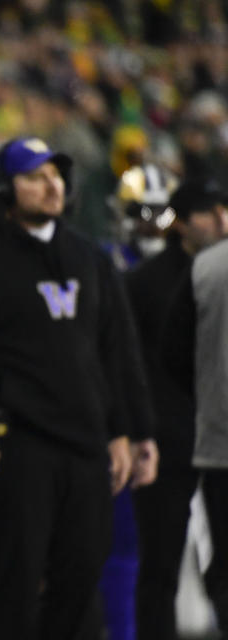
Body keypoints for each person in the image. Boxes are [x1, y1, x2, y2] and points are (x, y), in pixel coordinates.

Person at [0, 137, 136, 640]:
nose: (51, 184)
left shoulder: (86, 256)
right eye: (35, 176)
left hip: (83, 447)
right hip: (15, 447)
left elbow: (111, 354)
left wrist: (122, 431)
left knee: (81, 578)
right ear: (3, 188)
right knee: (16, 581)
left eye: (55, 174)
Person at [128, 178, 225, 640]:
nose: (221, 220)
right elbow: (135, 362)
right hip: (165, 436)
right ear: (182, 222)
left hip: (214, 432)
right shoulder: (143, 283)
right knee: (161, 560)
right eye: (208, 212)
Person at [162, 189, 228, 638]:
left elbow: (174, 354)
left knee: (225, 560)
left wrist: (209, 397)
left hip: (221, 442)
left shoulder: (205, 267)